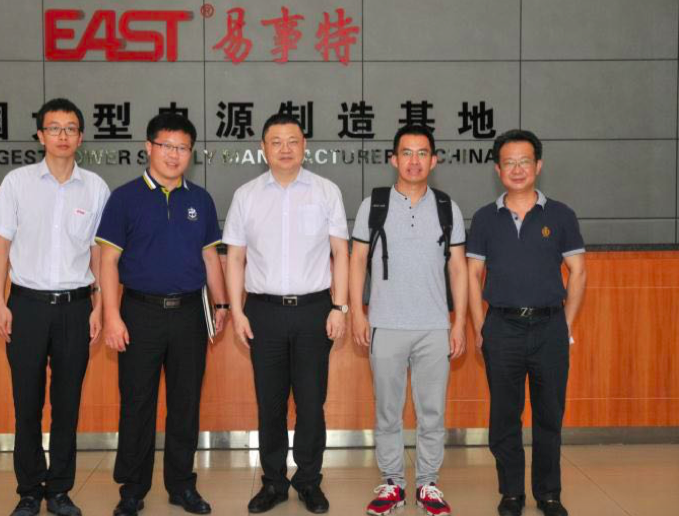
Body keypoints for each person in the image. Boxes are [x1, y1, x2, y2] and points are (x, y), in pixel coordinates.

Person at [95, 113, 228, 516]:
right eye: (166, 146)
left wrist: (221, 304)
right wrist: (111, 315)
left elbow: (210, 257)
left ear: (191, 153)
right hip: (139, 312)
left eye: (182, 148)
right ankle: (132, 489)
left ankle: (182, 485)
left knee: (185, 403)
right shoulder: (125, 198)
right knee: (137, 403)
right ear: (148, 147)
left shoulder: (200, 200)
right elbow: (107, 261)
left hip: (190, 313)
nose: (174, 154)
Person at [0, 98, 110, 516]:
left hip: (76, 307)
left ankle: (59, 490)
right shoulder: (17, 183)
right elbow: (1, 246)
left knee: (67, 405)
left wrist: (99, 306)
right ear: (40, 135)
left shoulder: (95, 188)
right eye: (54, 128)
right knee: (27, 403)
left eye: (70, 128)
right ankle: (28, 489)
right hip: (26, 306)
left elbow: (99, 252)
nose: (62, 136)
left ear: (81, 137)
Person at [223, 113, 350, 514]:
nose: (285, 149)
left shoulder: (326, 191)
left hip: (314, 311)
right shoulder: (246, 195)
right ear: (263, 148)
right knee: (271, 403)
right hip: (264, 312)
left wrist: (340, 306)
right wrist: (237, 311)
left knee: (312, 403)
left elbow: (341, 252)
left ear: (304, 146)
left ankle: (309, 480)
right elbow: (235, 257)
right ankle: (274, 482)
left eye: (292, 141)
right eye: (275, 141)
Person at [466, 129, 587, 516]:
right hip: (501, 327)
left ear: (538, 165)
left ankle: (549, 494)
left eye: (524, 162)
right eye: (509, 163)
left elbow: (578, 271)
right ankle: (511, 493)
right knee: (505, 416)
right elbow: (472, 275)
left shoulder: (561, 215)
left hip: (550, 326)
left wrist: (565, 323)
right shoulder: (485, 218)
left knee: (549, 415)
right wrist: (480, 327)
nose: (517, 169)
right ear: (497, 169)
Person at [349, 124, 467, 516]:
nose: (414, 161)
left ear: (434, 161)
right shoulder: (374, 205)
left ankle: (428, 483)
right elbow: (357, 261)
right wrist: (357, 312)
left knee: (432, 411)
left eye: (422, 153)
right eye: (406, 153)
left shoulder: (448, 208)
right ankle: (393, 484)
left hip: (434, 326)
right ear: (393, 159)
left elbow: (458, 269)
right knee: (388, 410)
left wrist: (459, 323)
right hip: (385, 325)